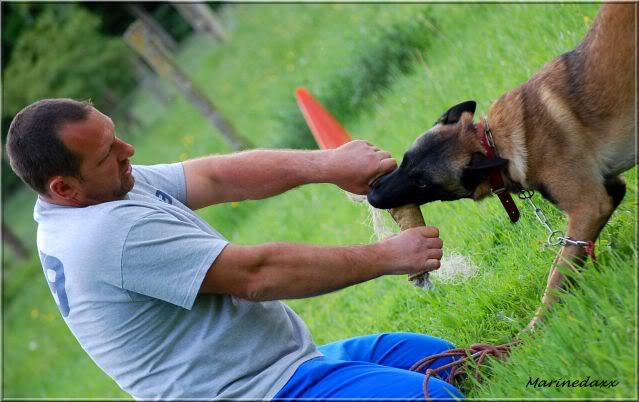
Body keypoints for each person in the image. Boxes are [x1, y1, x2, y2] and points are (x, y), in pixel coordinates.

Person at [6, 98, 463, 400]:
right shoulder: (108, 234)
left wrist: (327, 164)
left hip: (285, 363)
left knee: (447, 361)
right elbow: (256, 274)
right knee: (434, 397)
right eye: (108, 152)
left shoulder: (105, 187)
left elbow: (214, 176)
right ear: (63, 187)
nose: (129, 150)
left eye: (115, 136)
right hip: (254, 392)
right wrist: (386, 256)